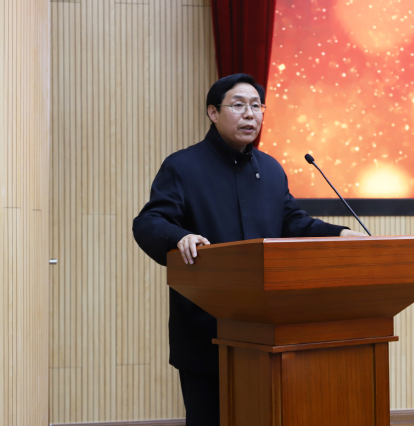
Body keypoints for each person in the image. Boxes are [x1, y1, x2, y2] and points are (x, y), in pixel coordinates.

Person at [132, 73, 365, 425]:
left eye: (256, 106)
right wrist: (180, 237)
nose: (249, 114)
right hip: (205, 328)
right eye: (238, 105)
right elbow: (149, 221)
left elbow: (292, 222)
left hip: (265, 329)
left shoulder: (270, 169)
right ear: (213, 112)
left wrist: (340, 234)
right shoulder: (182, 166)